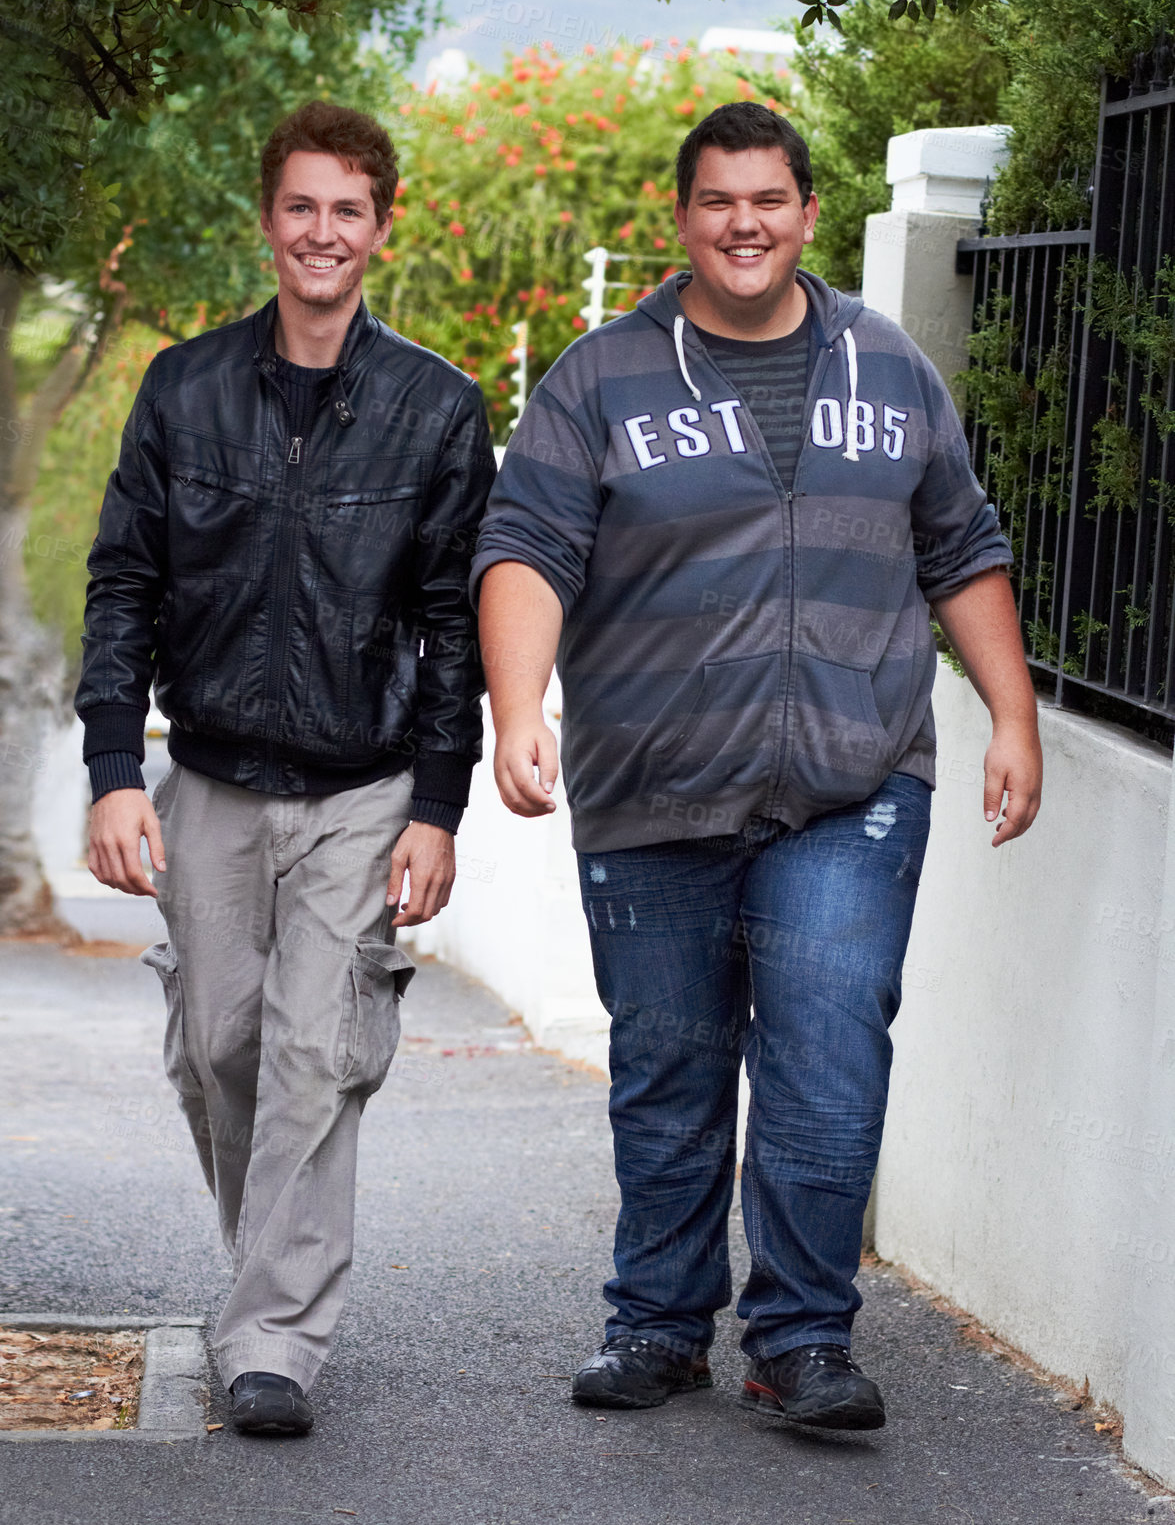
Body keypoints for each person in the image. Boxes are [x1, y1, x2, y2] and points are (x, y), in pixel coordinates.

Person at [473, 102, 1041, 1429]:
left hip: (855, 781)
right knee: (668, 1067)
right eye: (719, 200)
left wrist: (1010, 715)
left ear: (805, 212)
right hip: (652, 781)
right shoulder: (601, 376)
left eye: (769, 199)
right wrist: (516, 708)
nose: (745, 223)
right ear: (682, 220)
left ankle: (801, 1340)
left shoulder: (889, 368)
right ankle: (660, 1326)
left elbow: (961, 546)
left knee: (829, 1059)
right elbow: (528, 548)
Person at [76, 101, 496, 1437]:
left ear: (382, 227)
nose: (325, 232)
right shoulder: (183, 387)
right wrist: (109, 767)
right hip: (206, 775)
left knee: (316, 1050)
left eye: (349, 210)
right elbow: (125, 582)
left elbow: (452, 626)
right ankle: (268, 1276)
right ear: (271, 223)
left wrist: (437, 806)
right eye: (302, 207)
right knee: (218, 1048)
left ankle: (271, 1340)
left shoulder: (437, 408)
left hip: (360, 783)